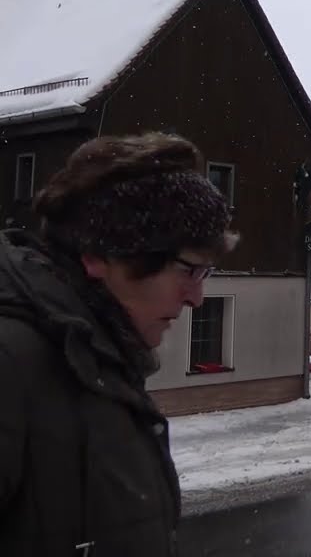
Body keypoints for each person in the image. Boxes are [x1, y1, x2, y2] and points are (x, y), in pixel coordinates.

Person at [0, 132, 238, 556]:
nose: (197, 298)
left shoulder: (102, 362)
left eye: (205, 274)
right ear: (98, 255)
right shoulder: (12, 364)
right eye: (188, 270)